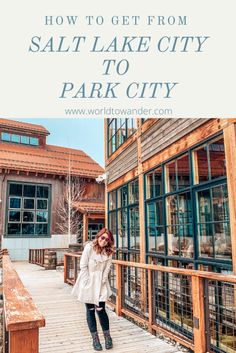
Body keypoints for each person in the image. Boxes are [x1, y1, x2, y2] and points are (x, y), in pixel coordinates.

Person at [72, 228, 114, 351]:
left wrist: (103, 281)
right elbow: (83, 265)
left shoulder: (109, 252)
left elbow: (107, 268)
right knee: (90, 310)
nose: (104, 241)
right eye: (103, 238)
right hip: (88, 280)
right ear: (98, 236)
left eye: (107, 239)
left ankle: (108, 337)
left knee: (101, 309)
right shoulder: (89, 247)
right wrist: (86, 282)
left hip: (101, 282)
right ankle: (95, 340)